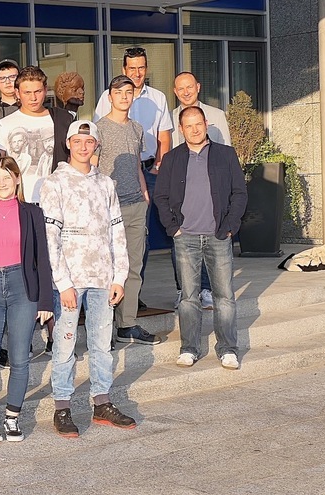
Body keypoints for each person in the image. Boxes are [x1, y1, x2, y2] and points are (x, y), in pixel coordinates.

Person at [40, 120, 135, 438]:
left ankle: (102, 403)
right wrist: (63, 282)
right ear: (68, 144)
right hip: (70, 281)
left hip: (102, 278)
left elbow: (117, 231)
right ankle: (62, 407)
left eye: (89, 141)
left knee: (101, 345)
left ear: (96, 145)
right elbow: (50, 236)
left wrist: (119, 276)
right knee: (65, 346)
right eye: (78, 141)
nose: (84, 146)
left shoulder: (106, 184)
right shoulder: (54, 183)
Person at [154, 106, 246, 370]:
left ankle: (228, 349)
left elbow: (239, 193)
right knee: (189, 297)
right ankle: (189, 348)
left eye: (198, 124)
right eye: (188, 126)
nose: (194, 130)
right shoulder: (172, 159)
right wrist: (174, 229)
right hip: (186, 238)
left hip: (218, 235)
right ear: (181, 129)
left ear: (206, 124)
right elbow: (160, 198)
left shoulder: (225, 155)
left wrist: (230, 226)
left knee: (225, 296)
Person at [0, 157, 53, 443]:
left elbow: (42, 258)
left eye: (8, 177)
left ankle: (12, 417)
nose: (2, 183)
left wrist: (45, 302)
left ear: (18, 179)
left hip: (22, 286)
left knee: (20, 359)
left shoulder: (32, 213)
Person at [94, 47, 174, 311]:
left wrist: (157, 167)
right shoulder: (108, 99)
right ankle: (112, 299)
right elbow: (96, 146)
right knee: (110, 242)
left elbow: (164, 136)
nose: (137, 73)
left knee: (141, 241)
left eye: (141, 68)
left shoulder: (158, 98)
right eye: (132, 69)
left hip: (146, 172)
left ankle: (133, 295)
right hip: (113, 183)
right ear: (124, 70)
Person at [94, 75, 160, 346]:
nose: (123, 96)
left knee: (133, 265)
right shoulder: (98, 129)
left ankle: (127, 324)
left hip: (135, 205)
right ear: (109, 96)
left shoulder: (136, 128)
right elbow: (93, 169)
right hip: (108, 208)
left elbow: (137, 167)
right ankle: (103, 328)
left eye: (128, 92)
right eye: (118, 92)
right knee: (105, 268)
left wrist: (145, 196)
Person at [170, 71, 233, 309]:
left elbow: (227, 151)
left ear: (198, 87)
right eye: (180, 89)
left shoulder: (216, 115)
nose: (186, 92)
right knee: (181, 243)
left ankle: (206, 289)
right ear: (175, 92)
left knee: (210, 240)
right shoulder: (170, 118)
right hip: (182, 192)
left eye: (189, 87)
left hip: (210, 192)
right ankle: (183, 289)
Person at [0, 65, 74, 204]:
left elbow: (74, 159)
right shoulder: (3, 125)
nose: (33, 98)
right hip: (19, 201)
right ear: (17, 93)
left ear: (46, 90)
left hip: (57, 200)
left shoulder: (63, 120)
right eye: (27, 92)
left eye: (38, 91)